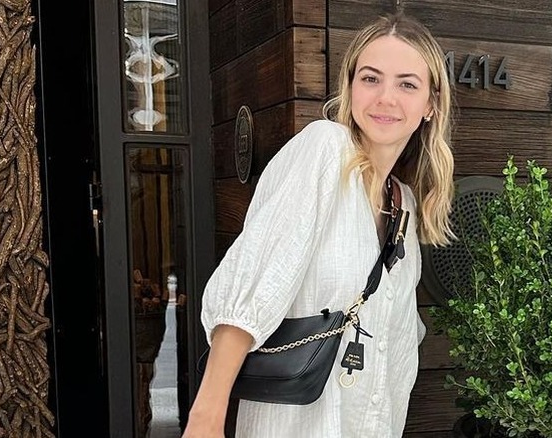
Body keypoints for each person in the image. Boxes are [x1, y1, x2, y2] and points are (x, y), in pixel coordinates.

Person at [182, 12, 454, 438]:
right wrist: (206, 419)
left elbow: (395, 346)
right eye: (370, 78)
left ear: (430, 104)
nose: (386, 97)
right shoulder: (325, 150)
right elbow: (254, 281)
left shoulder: (404, 204)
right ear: (350, 88)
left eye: (407, 84)